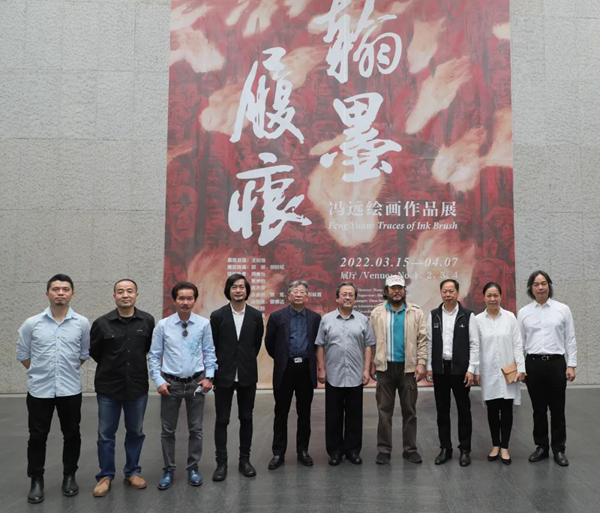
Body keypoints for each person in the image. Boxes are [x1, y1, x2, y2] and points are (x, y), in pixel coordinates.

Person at [16, 274, 91, 504]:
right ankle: (36, 480)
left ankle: (69, 476)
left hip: (70, 389)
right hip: (40, 390)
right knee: (37, 436)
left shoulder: (82, 323)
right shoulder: (32, 323)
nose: (60, 293)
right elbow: (23, 354)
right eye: (56, 289)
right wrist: (40, 372)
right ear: (47, 293)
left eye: (65, 289)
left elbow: (83, 354)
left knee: (72, 434)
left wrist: (65, 371)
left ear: (72, 294)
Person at [90, 279, 155, 497]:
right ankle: (105, 476)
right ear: (114, 296)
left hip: (137, 387)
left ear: (136, 295)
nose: (125, 295)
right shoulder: (102, 323)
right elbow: (96, 352)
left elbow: (148, 348)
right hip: (108, 388)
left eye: (129, 291)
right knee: (105, 434)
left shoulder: (147, 321)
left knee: (135, 432)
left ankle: (132, 472)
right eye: (120, 292)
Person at [148, 282, 216, 489]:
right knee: (168, 430)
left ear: (195, 300)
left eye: (189, 298)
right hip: (171, 384)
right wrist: (159, 380)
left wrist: (209, 377)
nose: (185, 302)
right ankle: (168, 469)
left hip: (196, 383)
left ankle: (193, 468)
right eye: (181, 298)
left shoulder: (204, 324)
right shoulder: (163, 325)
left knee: (196, 429)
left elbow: (210, 352)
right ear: (175, 300)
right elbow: (154, 356)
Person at [518, 270, 577, 467]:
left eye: (543, 283)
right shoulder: (524, 313)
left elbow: (570, 339)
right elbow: (520, 343)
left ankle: (559, 449)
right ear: (531, 288)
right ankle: (541, 446)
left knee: (558, 409)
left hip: (556, 364)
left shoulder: (563, 309)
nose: (540, 287)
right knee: (538, 409)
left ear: (549, 285)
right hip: (533, 364)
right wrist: (521, 367)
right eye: (536, 284)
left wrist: (571, 365)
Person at [210, 274, 264, 481]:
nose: (238, 290)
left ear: (247, 290)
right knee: (222, 420)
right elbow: (213, 345)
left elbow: (255, 345)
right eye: (234, 287)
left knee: (246, 418)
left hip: (247, 374)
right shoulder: (217, 316)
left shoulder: (255, 316)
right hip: (223, 374)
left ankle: (245, 461)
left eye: (242, 287)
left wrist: (244, 360)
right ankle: (221, 464)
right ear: (228, 290)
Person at [369, 274, 428, 465]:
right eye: (392, 288)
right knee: (384, 412)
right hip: (384, 368)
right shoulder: (377, 313)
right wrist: (371, 364)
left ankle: (410, 449)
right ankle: (384, 450)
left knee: (409, 411)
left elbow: (422, 340)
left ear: (404, 290)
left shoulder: (415, 312)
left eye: (399, 288)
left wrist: (421, 363)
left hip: (407, 369)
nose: (396, 291)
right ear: (386, 291)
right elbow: (371, 342)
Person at [316, 282, 375, 466]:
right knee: (333, 416)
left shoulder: (363, 320)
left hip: (355, 375)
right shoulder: (326, 319)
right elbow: (320, 345)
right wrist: (322, 368)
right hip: (333, 375)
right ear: (337, 298)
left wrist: (366, 369)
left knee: (354, 416)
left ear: (355, 299)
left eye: (351, 295)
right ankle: (334, 451)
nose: (347, 297)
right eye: (344, 294)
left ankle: (352, 451)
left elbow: (368, 346)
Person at [264, 280, 322, 470]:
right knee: (281, 412)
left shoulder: (315, 318)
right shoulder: (277, 317)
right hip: (285, 369)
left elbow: (318, 344)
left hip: (305, 369)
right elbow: (270, 343)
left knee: (304, 413)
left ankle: (303, 451)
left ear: (307, 297)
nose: (298, 294)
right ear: (288, 296)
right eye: (295, 291)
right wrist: (283, 359)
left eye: (302, 292)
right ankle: (278, 452)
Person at [426, 279, 479, 467]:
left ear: (457, 293)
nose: (448, 294)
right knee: (442, 411)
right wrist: (429, 366)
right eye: (444, 291)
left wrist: (471, 369)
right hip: (440, 370)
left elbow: (474, 344)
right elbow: (429, 343)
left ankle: (465, 449)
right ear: (441, 293)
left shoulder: (467, 315)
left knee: (464, 410)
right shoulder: (433, 315)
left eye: (451, 291)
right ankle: (445, 448)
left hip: (460, 370)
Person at [475, 282, 525, 465]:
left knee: (507, 409)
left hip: (508, 372)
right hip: (488, 371)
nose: (492, 299)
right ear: (484, 297)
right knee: (492, 409)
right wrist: (476, 370)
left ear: (501, 296)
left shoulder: (510, 318)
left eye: (495, 295)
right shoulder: (477, 320)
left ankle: (505, 447)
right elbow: (475, 347)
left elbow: (518, 344)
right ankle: (495, 444)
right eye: (489, 295)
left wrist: (521, 368)